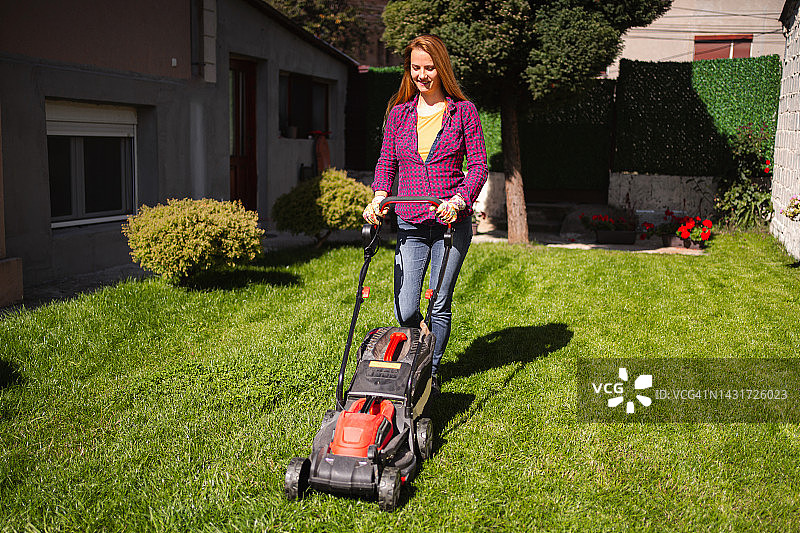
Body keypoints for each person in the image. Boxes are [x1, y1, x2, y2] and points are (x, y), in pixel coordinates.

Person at [362, 34, 488, 395]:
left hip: (450, 224)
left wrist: (459, 200)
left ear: (441, 68)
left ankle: (429, 374)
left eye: (430, 68)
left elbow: (478, 165)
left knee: (439, 302)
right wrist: (379, 197)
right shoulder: (399, 114)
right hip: (410, 222)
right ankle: (422, 345)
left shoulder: (463, 111)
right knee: (405, 308)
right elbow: (387, 162)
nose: (422, 75)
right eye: (416, 68)